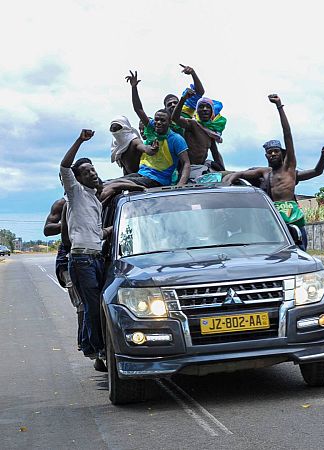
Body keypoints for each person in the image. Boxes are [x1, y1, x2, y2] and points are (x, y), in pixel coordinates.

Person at [223, 94, 324, 249]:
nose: (273, 154)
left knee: (299, 246)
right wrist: (228, 181)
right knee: (275, 249)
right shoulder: (264, 173)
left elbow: (289, 136)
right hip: (273, 217)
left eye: (276, 151)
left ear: (282, 153)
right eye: (270, 152)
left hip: (292, 216)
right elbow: (240, 174)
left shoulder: (289, 169)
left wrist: (279, 106)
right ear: (266, 155)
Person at [60, 129, 112, 371]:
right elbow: (64, 166)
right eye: (86, 172)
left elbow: (97, 233)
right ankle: (98, 350)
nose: (92, 173)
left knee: (96, 305)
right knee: (92, 306)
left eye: (93, 170)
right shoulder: (76, 193)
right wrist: (80, 140)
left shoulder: (93, 199)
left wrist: (114, 229)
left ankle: (90, 346)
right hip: (81, 260)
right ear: (77, 179)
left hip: (95, 258)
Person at [101, 71, 191, 201]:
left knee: (113, 186)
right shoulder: (152, 130)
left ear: (169, 123)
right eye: (156, 119)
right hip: (141, 174)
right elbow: (138, 109)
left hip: (157, 180)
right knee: (106, 184)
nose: (158, 123)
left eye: (162, 120)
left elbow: (186, 163)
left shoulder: (176, 139)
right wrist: (134, 87)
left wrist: (180, 187)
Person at [44, 196, 83, 348]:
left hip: (92, 255)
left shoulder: (93, 196)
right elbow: (47, 229)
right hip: (67, 259)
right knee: (81, 303)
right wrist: (69, 223)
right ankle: (85, 343)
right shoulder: (62, 203)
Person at [171, 88, 226, 180]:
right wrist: (183, 99)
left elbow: (215, 154)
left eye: (208, 107)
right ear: (197, 111)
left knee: (226, 175)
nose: (205, 109)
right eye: (201, 107)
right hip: (190, 169)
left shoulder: (210, 132)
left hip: (202, 166)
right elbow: (175, 118)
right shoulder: (192, 124)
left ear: (212, 111)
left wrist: (222, 169)